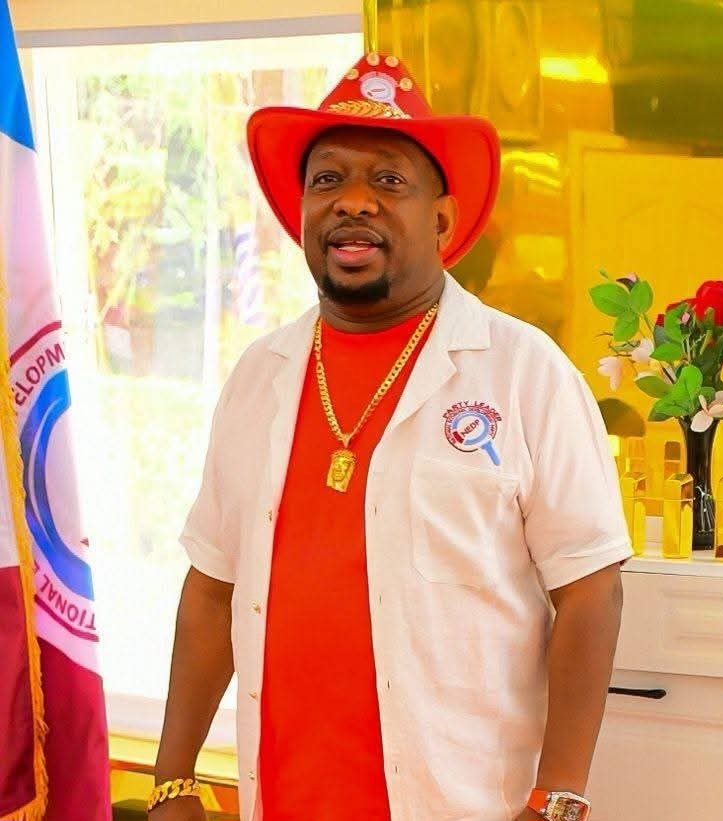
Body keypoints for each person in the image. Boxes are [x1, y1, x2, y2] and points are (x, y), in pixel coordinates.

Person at [149, 53, 632, 821]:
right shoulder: (258, 376)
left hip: (465, 804)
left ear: (441, 221)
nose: (354, 201)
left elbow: (590, 588)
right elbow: (211, 589)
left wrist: (559, 795)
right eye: (328, 180)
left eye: (388, 180)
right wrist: (173, 777)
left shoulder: (522, 370)